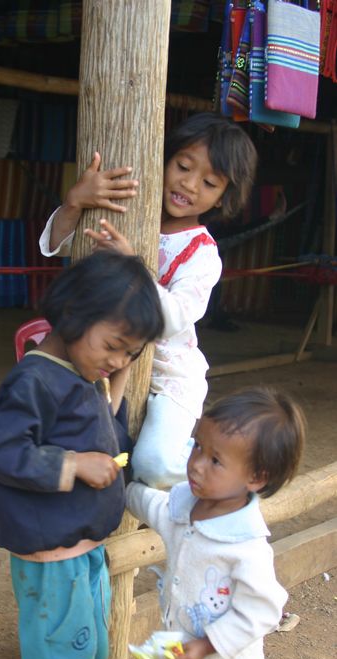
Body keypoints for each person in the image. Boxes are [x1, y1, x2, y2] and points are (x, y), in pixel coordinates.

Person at [0, 251, 164, 659]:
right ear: (72, 316)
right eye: (113, 345)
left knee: (88, 657)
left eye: (129, 352)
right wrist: (72, 464)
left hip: (82, 550)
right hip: (50, 556)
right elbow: (4, 453)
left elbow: (97, 423)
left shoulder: (83, 373)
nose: (117, 360)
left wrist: (117, 377)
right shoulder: (34, 379)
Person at [40, 112, 258, 489]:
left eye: (208, 182)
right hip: (101, 356)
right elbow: (56, 246)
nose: (189, 184)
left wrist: (135, 267)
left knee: (153, 464)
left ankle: (221, 474)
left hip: (168, 375)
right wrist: (75, 202)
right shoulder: (129, 212)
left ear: (225, 197)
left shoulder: (202, 254)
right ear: (164, 157)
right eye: (183, 166)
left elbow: (174, 319)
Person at [126, 386, 306, 659]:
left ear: (256, 478)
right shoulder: (185, 505)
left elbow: (263, 611)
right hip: (186, 647)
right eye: (197, 447)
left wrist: (206, 647)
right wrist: (120, 490)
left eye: (215, 460)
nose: (196, 465)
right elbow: (155, 507)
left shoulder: (247, 545)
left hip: (231, 657)